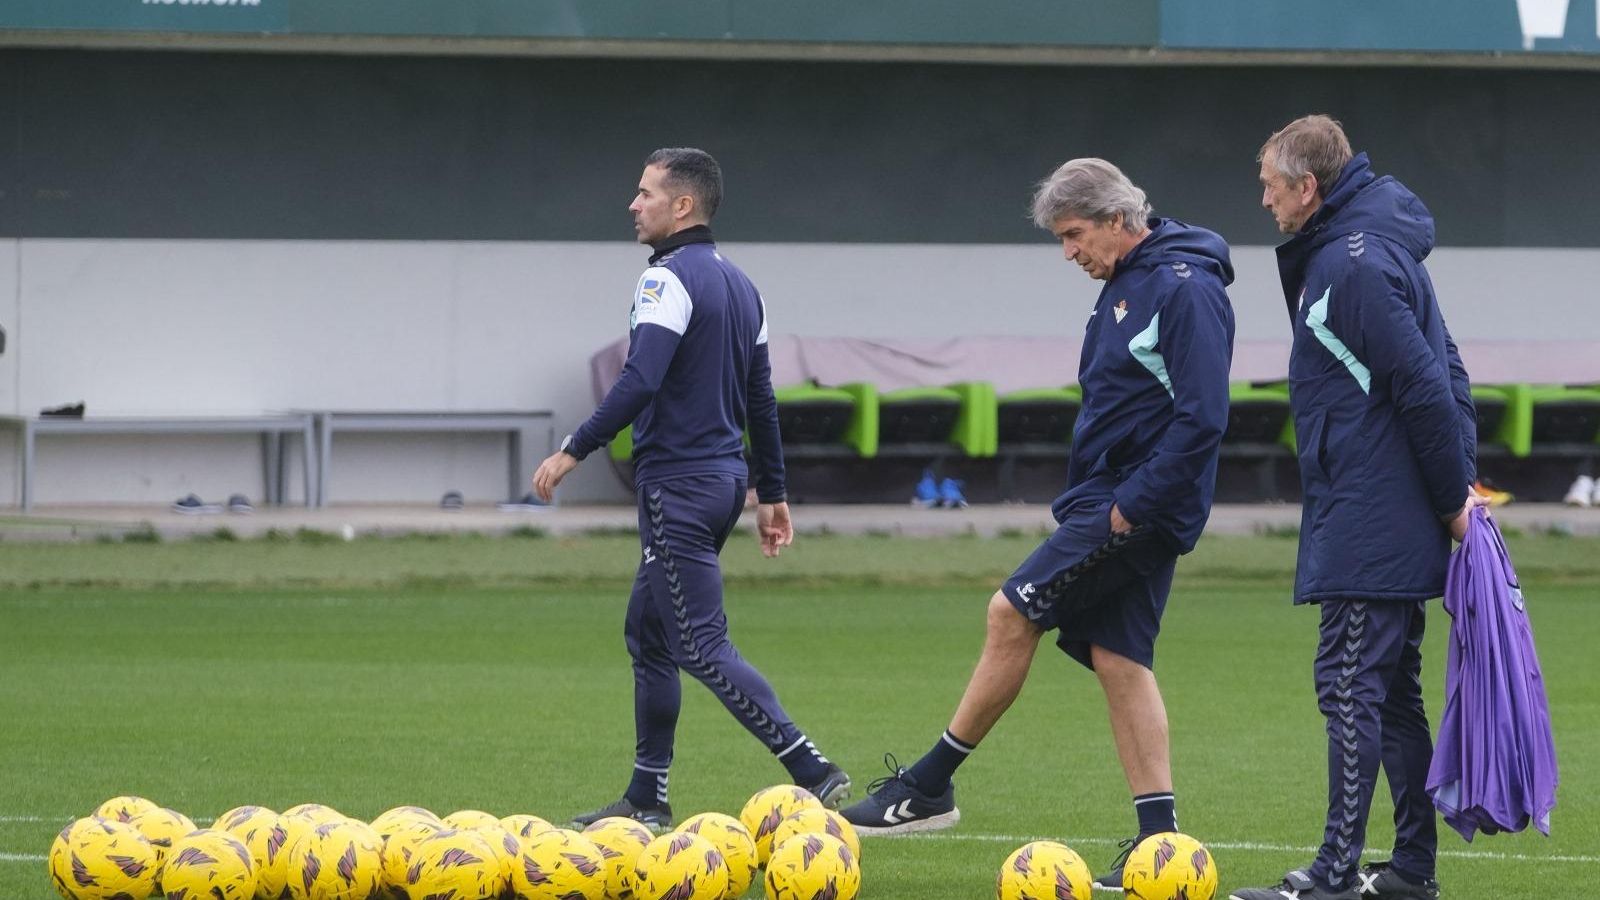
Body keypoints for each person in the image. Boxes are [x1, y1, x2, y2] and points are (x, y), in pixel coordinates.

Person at [839, 158, 1236, 892]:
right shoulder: (1128, 281)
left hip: (1135, 508)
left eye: (1075, 234)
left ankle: (929, 786)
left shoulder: (1184, 289)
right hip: (1113, 500)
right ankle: (1160, 847)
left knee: (1010, 612)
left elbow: (1204, 416)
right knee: (1121, 661)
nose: (1069, 252)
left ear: (1118, 220)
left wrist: (1128, 503)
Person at [533, 147, 850, 829]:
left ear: (683, 206)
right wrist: (772, 491)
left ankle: (810, 767)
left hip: (676, 484)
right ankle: (646, 796)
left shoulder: (667, 280)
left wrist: (574, 448)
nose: (633, 204)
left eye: (645, 193)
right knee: (648, 635)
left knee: (701, 645)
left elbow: (640, 379)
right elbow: (762, 399)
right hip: (722, 482)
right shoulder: (741, 285)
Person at [1229, 116, 1487, 900]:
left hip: (1374, 511)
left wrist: (1453, 498)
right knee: (1391, 691)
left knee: (1346, 687)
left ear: (1309, 188)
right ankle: (1411, 869)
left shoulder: (1355, 264)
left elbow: (1425, 388)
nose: (1266, 202)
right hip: (1377, 503)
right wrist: (1454, 484)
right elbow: (1451, 372)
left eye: (1272, 187)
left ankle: (1336, 874)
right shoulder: (1368, 251)